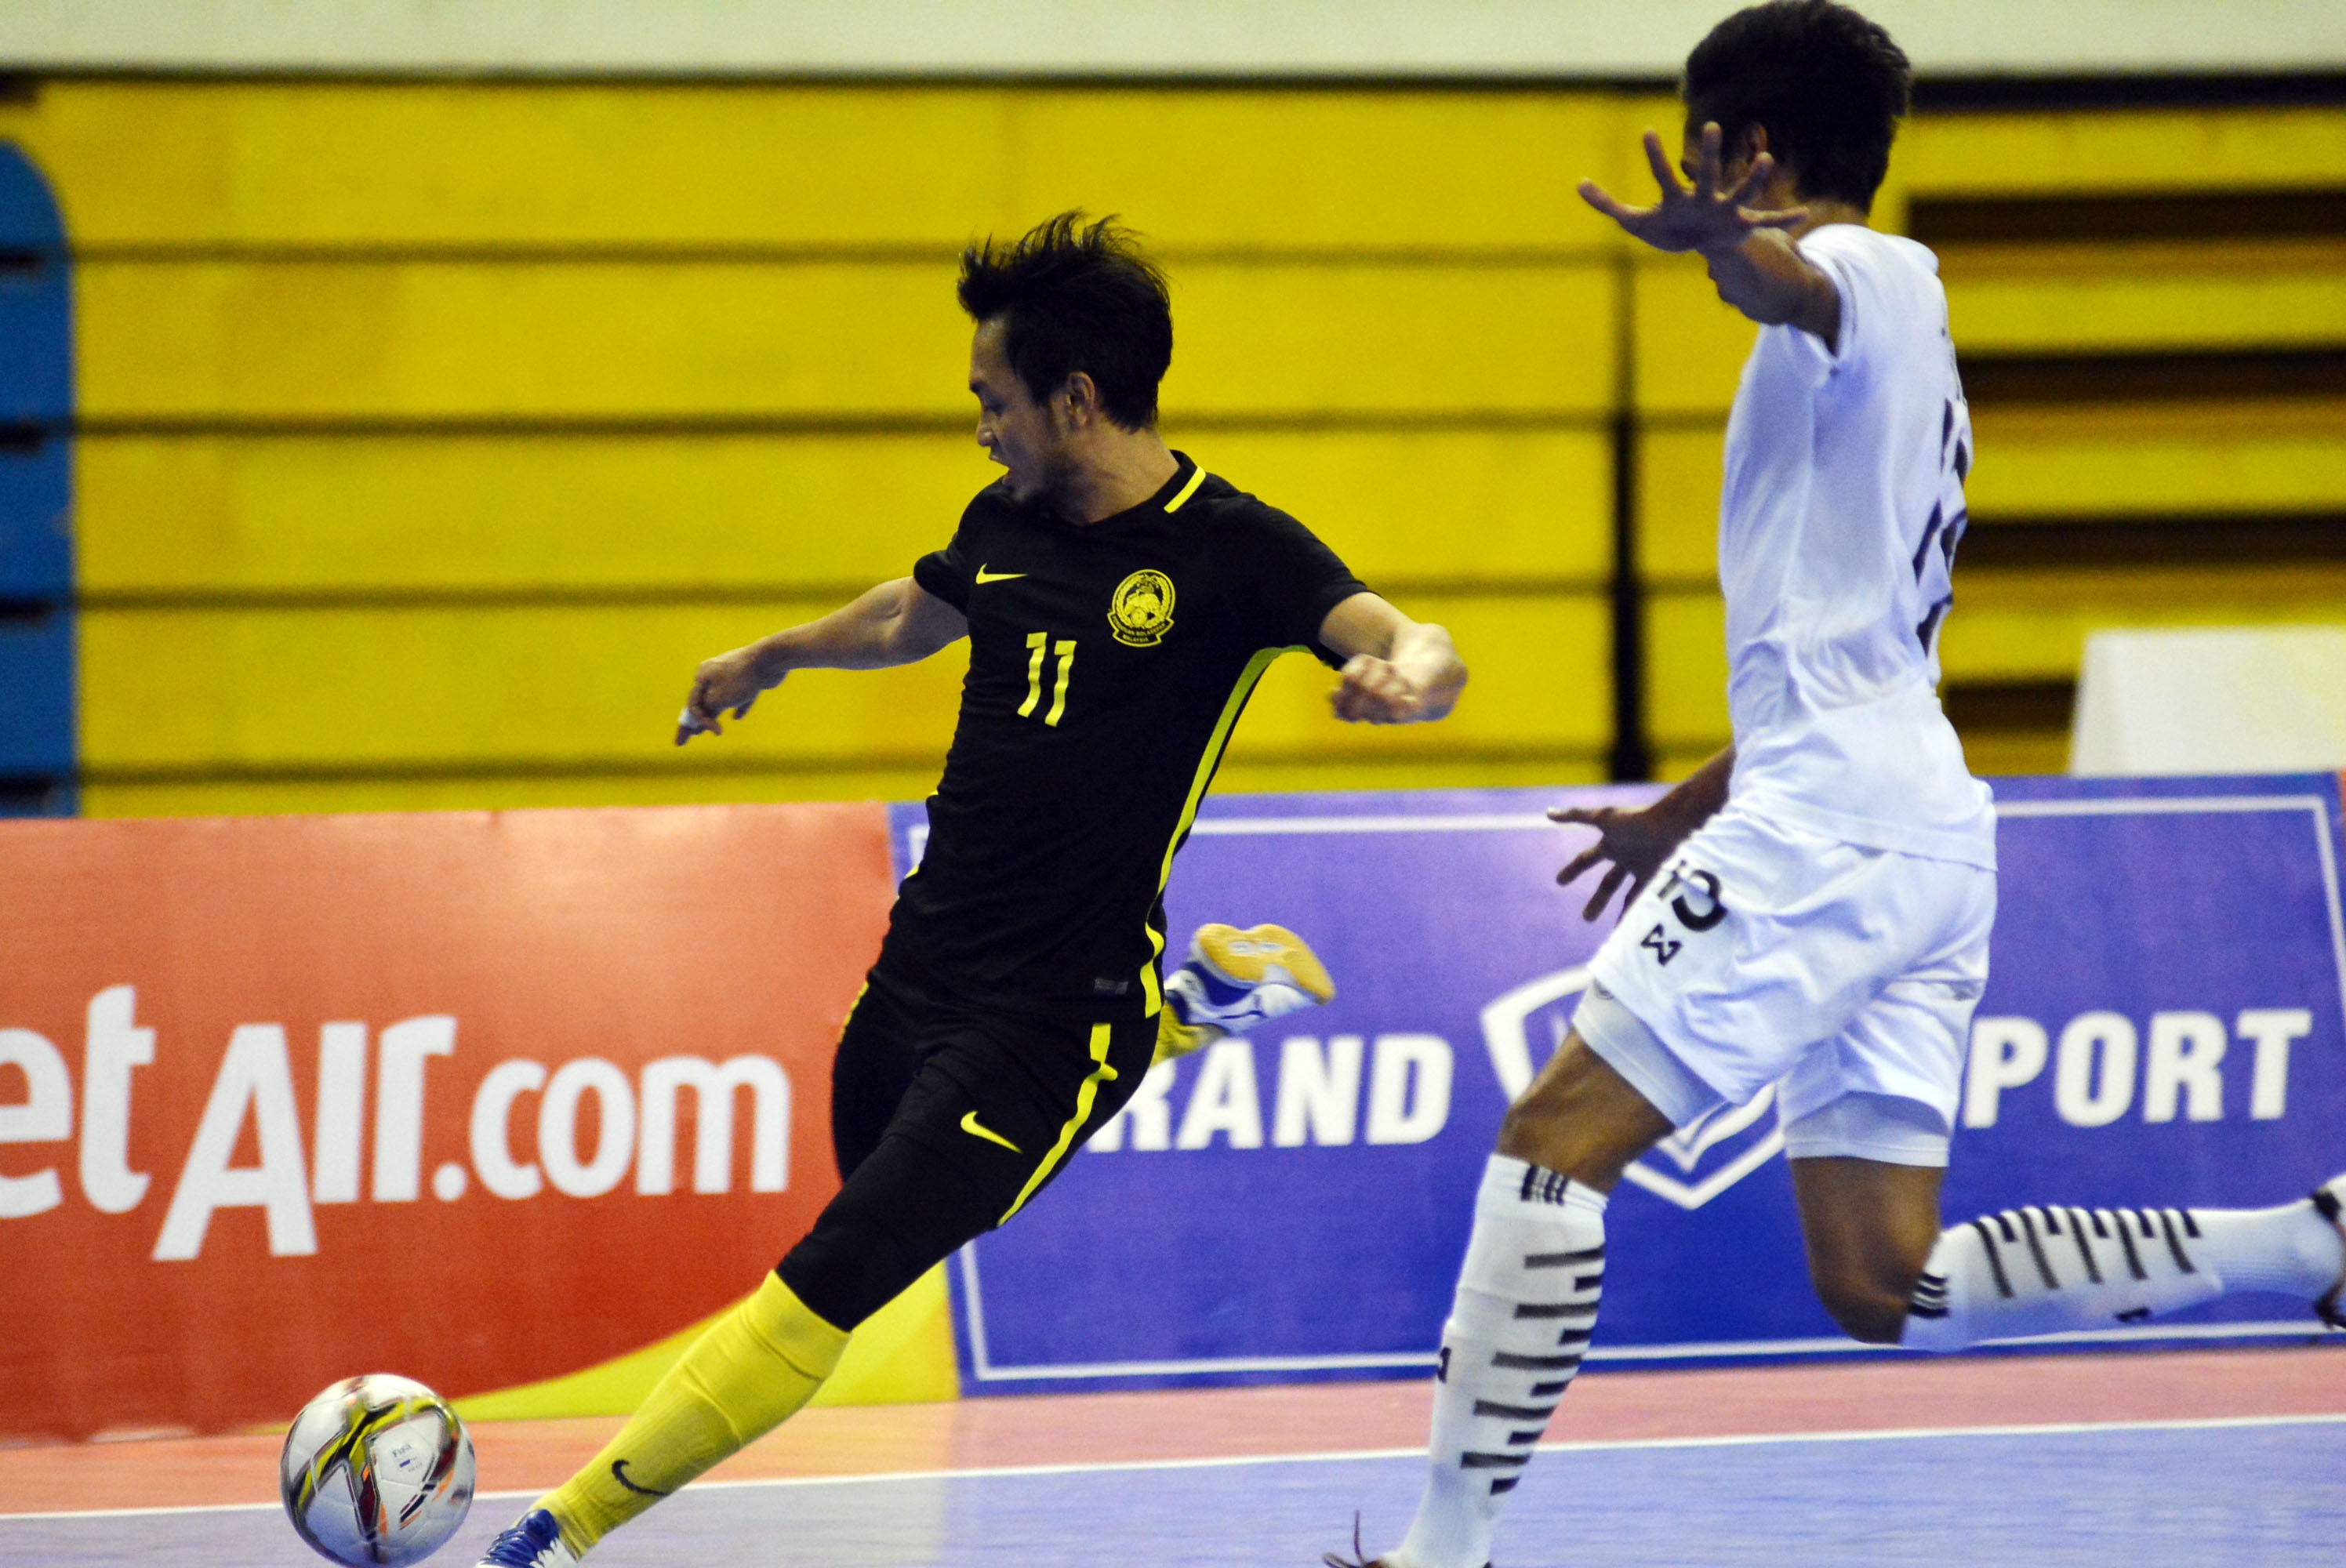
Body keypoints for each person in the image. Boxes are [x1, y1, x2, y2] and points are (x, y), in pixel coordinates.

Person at [1342, 5, 2345, 1566]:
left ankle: (1437, 1550)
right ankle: (2302, 1240)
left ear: (1747, 148)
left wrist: (1729, 248)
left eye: (1701, 130)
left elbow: (1791, 279)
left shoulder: (1872, 276)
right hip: (1907, 817)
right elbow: (1843, 645)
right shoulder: (1880, 359)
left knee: (1551, 1140)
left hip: (1833, 830)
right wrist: (1686, 806)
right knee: (1882, 1281)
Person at [474, 211, 1465, 1568]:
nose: (980, 429)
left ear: (1075, 398)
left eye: (991, 402)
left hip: (1050, 1021)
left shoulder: (1238, 551)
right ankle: (1199, 1009)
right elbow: (913, 612)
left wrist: (1411, 676)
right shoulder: (1005, 519)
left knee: (830, 1282)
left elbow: (1411, 635)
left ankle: (552, 1532)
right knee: (861, 1200)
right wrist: (777, 654)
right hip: (913, 977)